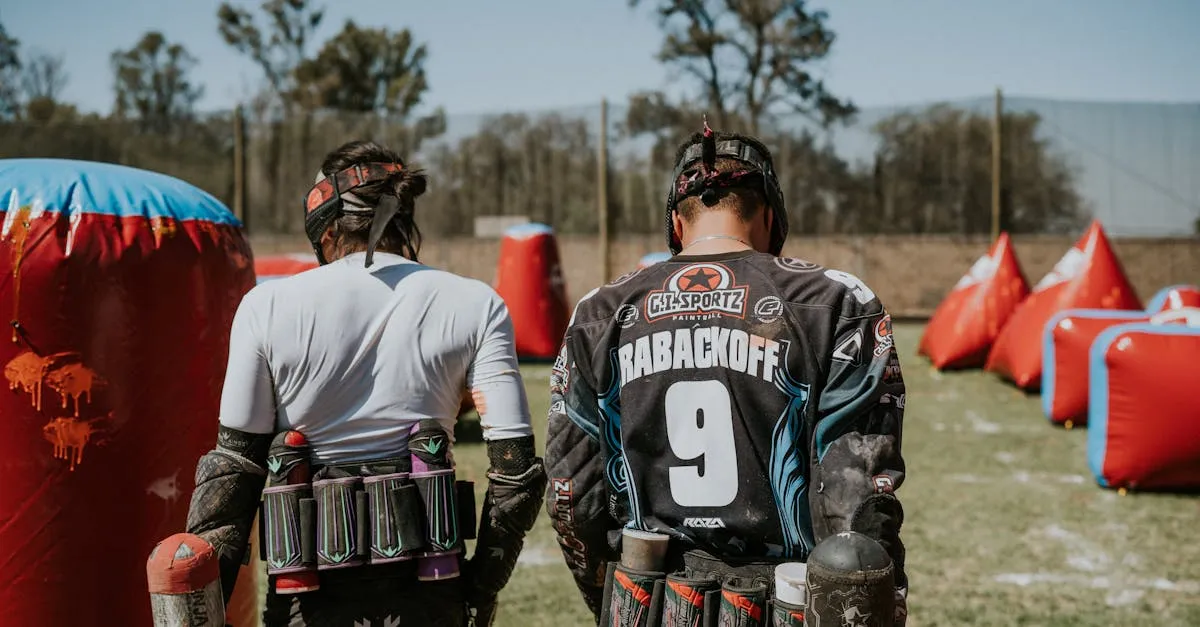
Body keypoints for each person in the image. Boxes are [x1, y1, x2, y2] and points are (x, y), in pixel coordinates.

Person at [544, 124, 908, 625]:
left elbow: (570, 493)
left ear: (676, 220)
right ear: (770, 212)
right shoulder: (837, 301)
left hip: (647, 597)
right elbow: (859, 504)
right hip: (788, 600)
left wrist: (612, 600)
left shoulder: (599, 310)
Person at [182, 140, 546, 627]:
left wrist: (199, 609)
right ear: (403, 214)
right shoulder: (475, 303)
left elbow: (233, 472)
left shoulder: (264, 308)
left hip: (306, 596)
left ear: (324, 226)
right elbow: (515, 475)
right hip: (432, 590)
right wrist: (481, 589)